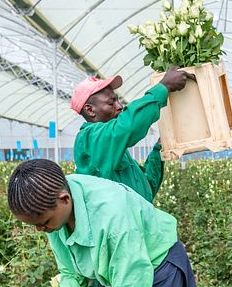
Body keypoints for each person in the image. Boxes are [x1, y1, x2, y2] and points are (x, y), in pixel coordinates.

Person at [7, 159, 204, 287]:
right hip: (116, 271)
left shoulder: (113, 218)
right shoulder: (52, 210)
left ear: (64, 199)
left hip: (159, 268)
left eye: (44, 223)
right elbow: (70, 273)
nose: (40, 230)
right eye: (35, 226)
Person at [71, 67, 194, 203]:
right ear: (90, 110)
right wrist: (164, 86)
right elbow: (127, 126)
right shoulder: (89, 139)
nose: (120, 106)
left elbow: (146, 190)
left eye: (118, 100)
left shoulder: (116, 150)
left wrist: (158, 150)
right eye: (111, 103)